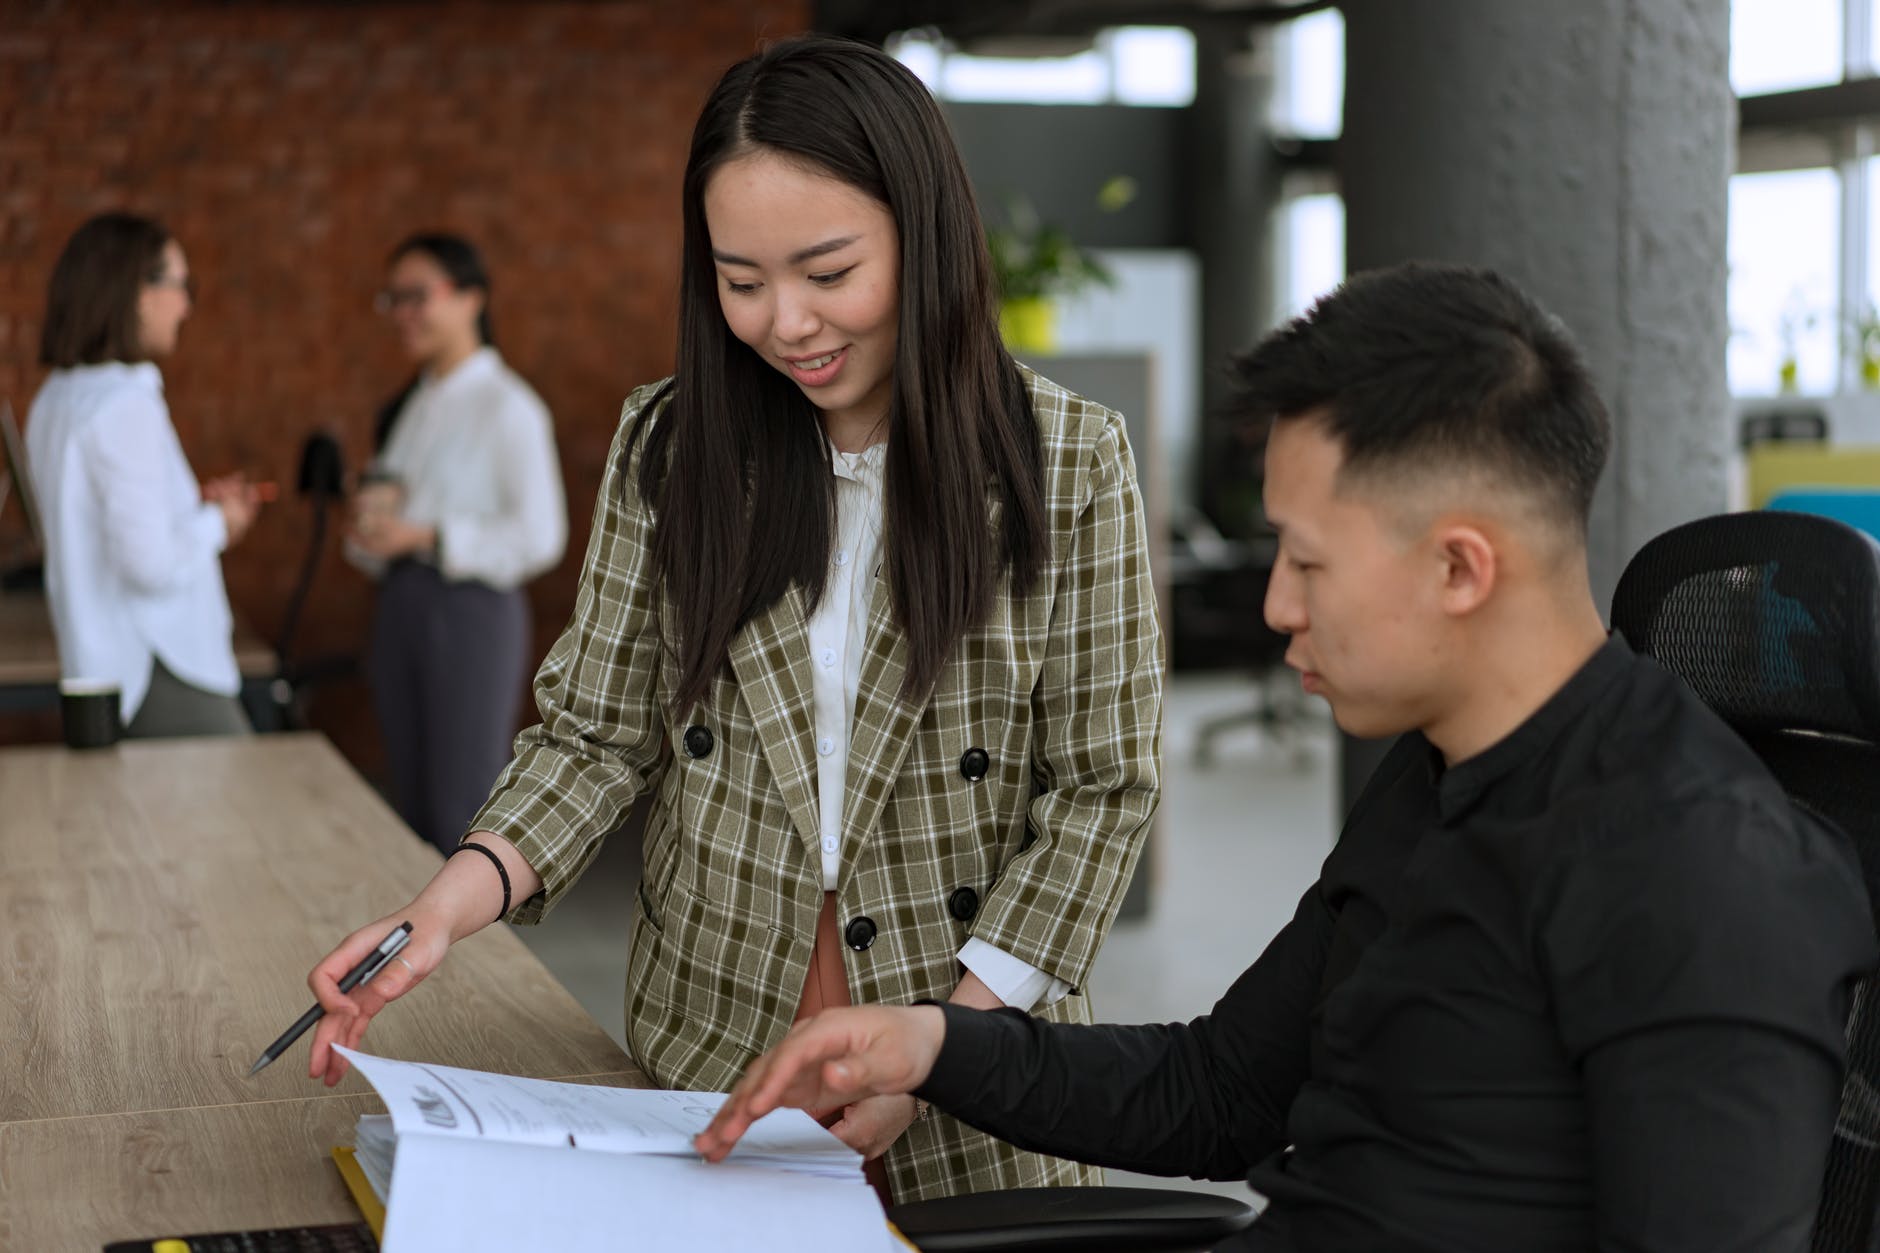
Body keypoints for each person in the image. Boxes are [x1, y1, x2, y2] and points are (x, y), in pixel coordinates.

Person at [697, 262, 1880, 1251]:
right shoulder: (1437, 775)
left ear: (1459, 568)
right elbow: (1214, 1091)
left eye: (1305, 562)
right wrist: (931, 1039)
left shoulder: (1710, 879)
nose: (1271, 605)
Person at [303, 35, 1163, 1206]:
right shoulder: (671, 445)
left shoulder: (1068, 459)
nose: (785, 323)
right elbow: (594, 734)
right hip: (705, 1058)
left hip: (975, 1070)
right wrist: (446, 905)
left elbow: (1099, 792)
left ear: (923, 236)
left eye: (826, 270)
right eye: (740, 280)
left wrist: (942, 1046)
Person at [344, 233, 568, 854]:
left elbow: (541, 536)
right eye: (393, 299)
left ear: (471, 297)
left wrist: (426, 535)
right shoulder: (411, 406)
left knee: (461, 809)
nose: (403, 314)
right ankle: (420, 949)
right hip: (401, 606)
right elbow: (382, 534)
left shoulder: (510, 407)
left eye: (417, 296)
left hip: (468, 613)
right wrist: (371, 530)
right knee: (411, 807)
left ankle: (472, 950)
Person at [26, 212, 264, 737]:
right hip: (160, 667)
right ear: (136, 290)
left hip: (100, 667)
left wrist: (190, 505)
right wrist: (220, 523)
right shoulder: (125, 400)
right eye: (182, 284)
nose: (187, 304)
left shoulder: (55, 399)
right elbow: (148, 564)